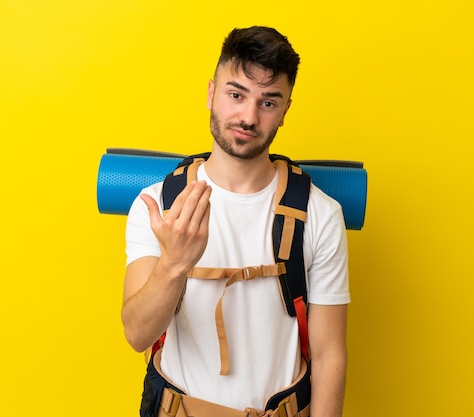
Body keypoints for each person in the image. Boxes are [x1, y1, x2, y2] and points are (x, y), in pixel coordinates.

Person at [121, 26, 350, 417]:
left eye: (268, 102)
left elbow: (329, 355)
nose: (247, 116)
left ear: (285, 112)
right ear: (211, 93)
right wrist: (174, 262)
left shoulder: (320, 214)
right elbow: (137, 334)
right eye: (236, 94)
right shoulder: (158, 204)